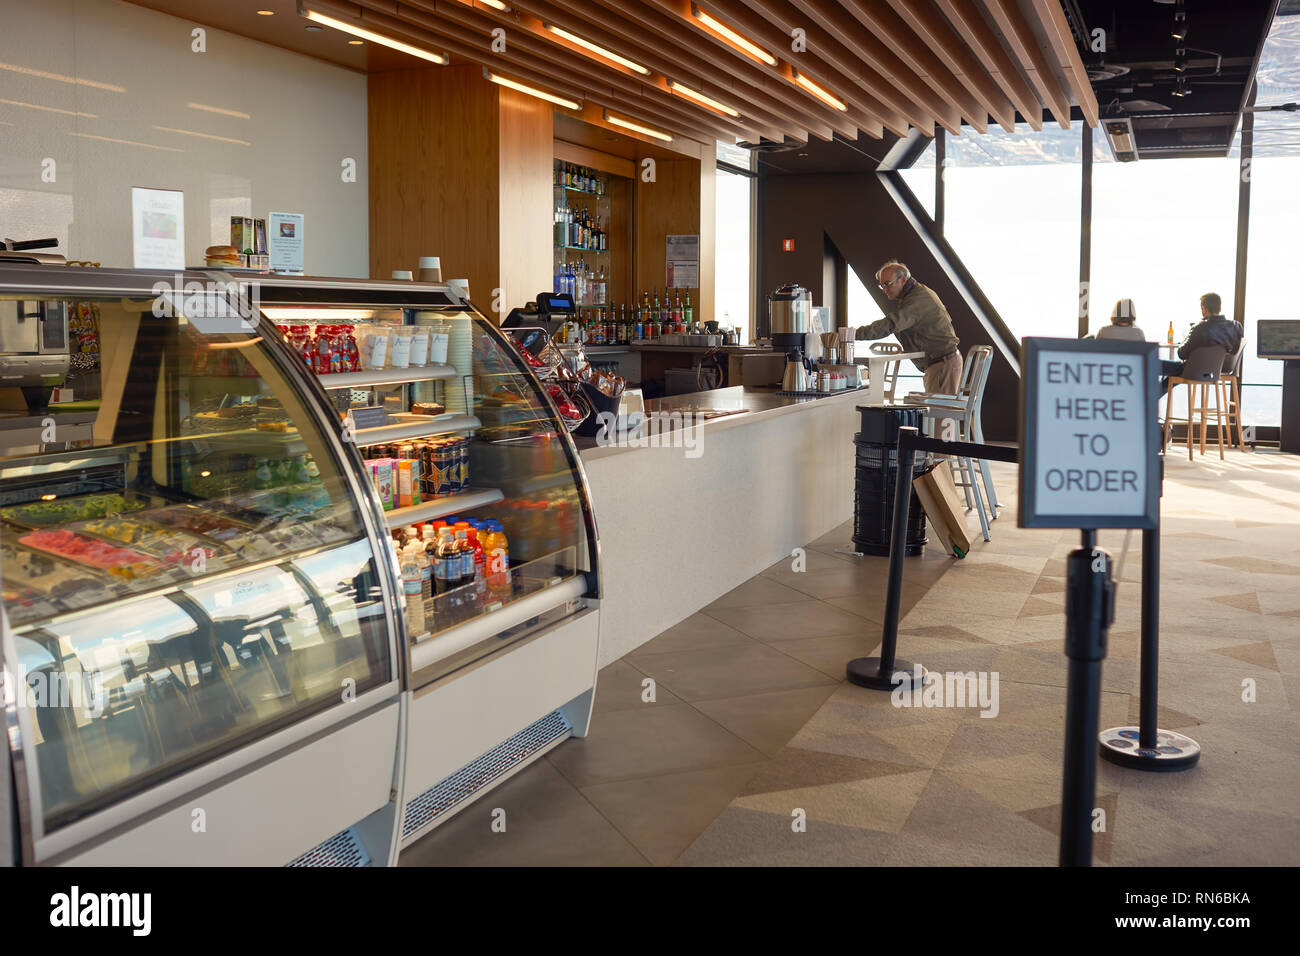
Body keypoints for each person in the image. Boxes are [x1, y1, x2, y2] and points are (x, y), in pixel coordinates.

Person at [855, 260, 962, 394]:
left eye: (887, 284)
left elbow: (890, 324)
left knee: (941, 414)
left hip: (942, 365)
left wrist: (852, 334)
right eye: (881, 286)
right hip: (942, 364)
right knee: (941, 413)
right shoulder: (918, 293)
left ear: (903, 279)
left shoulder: (916, 300)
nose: (884, 289)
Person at [1159, 292, 1243, 393]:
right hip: (1216, 371)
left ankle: (1148, 398)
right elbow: (1234, 351)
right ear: (1219, 308)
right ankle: (1151, 397)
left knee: (1154, 364)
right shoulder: (1236, 326)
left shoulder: (1200, 328)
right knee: (1172, 376)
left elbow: (1181, 354)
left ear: (1204, 309)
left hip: (1192, 371)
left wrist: (1186, 339)